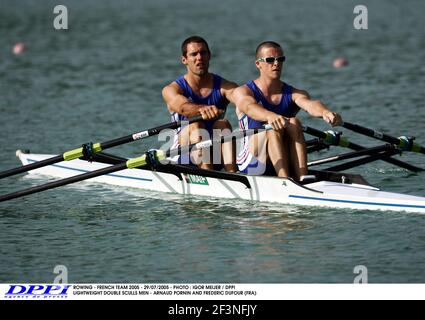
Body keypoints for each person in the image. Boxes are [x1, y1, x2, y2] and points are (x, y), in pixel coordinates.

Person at [233, 41, 342, 180]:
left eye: (280, 59)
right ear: (258, 64)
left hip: (281, 157)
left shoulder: (293, 93)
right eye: (270, 60)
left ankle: (303, 177)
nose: (276, 63)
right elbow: (249, 107)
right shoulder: (243, 91)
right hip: (252, 161)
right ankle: (285, 181)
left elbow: (310, 104)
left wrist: (325, 112)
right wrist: (270, 116)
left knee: (294, 122)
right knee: (271, 127)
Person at [162, 36, 238, 172]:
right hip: (183, 155)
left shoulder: (225, 86)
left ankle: (232, 173)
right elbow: (183, 108)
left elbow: (244, 101)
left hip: (215, 154)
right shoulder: (172, 89)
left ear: (209, 56)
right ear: (184, 60)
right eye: (193, 54)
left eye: (203, 53)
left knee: (223, 124)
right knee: (196, 125)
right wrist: (203, 109)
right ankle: (208, 173)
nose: (199, 58)